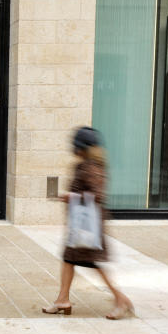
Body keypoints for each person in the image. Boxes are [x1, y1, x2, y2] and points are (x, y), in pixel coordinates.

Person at [43, 126, 133, 320]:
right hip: (80, 224)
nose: (73, 149)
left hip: (88, 226)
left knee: (94, 264)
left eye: (76, 145)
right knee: (68, 259)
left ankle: (121, 299)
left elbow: (97, 195)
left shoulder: (92, 166)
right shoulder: (85, 164)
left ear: (83, 147)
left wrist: (70, 196)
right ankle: (62, 299)